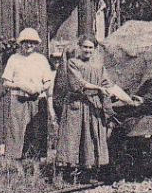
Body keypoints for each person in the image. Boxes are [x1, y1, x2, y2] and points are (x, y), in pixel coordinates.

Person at [55, 36, 140, 182]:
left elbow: (110, 86)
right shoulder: (72, 63)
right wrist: (99, 88)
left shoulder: (99, 68)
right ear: (79, 47)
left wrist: (129, 100)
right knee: (73, 138)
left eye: (90, 48)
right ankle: (66, 175)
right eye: (85, 47)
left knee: (90, 137)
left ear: (94, 50)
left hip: (92, 106)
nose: (87, 50)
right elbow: (79, 83)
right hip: (76, 105)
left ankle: (87, 174)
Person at [2, 28, 55, 172]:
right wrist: (20, 84)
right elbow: (6, 82)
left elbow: (48, 81)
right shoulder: (14, 59)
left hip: (38, 100)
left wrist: (40, 87)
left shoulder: (41, 59)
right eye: (26, 42)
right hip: (19, 100)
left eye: (32, 43)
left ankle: (36, 168)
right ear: (21, 43)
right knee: (17, 132)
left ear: (36, 44)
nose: (29, 45)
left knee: (37, 132)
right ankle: (19, 169)